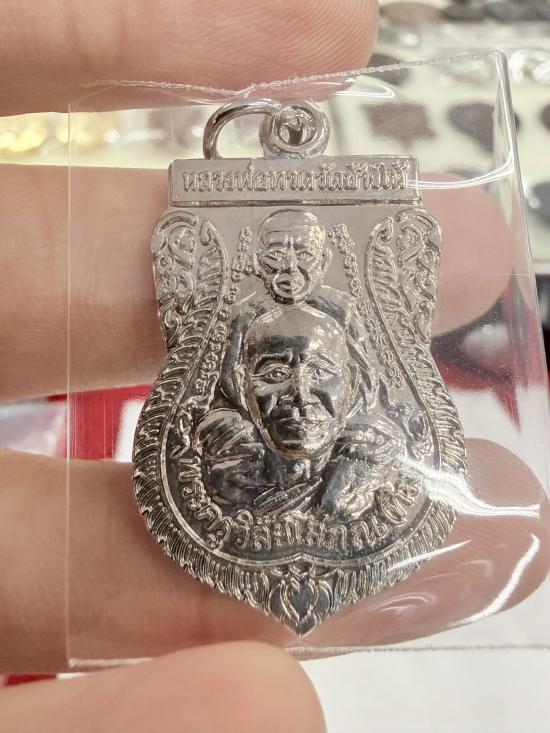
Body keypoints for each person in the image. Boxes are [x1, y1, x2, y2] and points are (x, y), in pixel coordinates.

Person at [195, 304, 404, 517]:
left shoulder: (378, 457)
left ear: (352, 380)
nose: (301, 396)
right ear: (242, 384)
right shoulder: (225, 460)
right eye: (276, 374)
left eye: (319, 372)